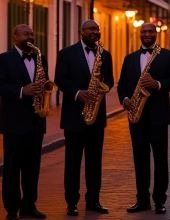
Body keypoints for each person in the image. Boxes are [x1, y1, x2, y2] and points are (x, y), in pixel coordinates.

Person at [54, 19, 114, 216]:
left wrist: (100, 87)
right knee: (72, 162)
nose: (94, 32)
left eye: (96, 29)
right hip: (73, 116)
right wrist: (78, 93)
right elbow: (60, 79)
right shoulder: (67, 53)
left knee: (94, 162)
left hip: (96, 117)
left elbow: (110, 80)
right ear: (81, 31)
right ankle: (71, 202)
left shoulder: (105, 55)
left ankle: (93, 201)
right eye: (90, 29)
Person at [118, 23, 170, 215]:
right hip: (136, 116)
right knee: (140, 159)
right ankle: (142, 199)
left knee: (160, 159)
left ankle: (160, 200)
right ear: (140, 34)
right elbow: (123, 85)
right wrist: (125, 99)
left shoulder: (168, 56)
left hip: (158, 116)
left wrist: (157, 84)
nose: (147, 34)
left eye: (150, 31)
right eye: (144, 32)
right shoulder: (130, 58)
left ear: (156, 33)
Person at [0, 24, 48, 220]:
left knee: (32, 167)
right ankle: (12, 209)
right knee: (12, 168)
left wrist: (43, 88)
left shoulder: (40, 57)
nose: (31, 36)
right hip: (14, 122)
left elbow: (44, 81)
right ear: (15, 37)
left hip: (36, 122)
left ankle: (29, 205)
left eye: (32, 33)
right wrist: (22, 91)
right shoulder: (4, 59)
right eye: (26, 34)